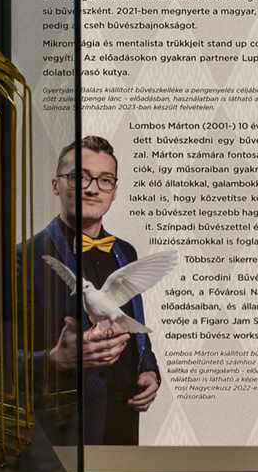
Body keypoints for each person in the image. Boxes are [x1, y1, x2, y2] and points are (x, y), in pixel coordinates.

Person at [31, 136, 162, 444]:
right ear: (56, 185)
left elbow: (131, 323)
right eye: (80, 177)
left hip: (123, 421)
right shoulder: (24, 257)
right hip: (64, 435)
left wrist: (149, 369)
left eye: (105, 180)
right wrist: (53, 359)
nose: (92, 189)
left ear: (114, 191)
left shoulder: (125, 252)